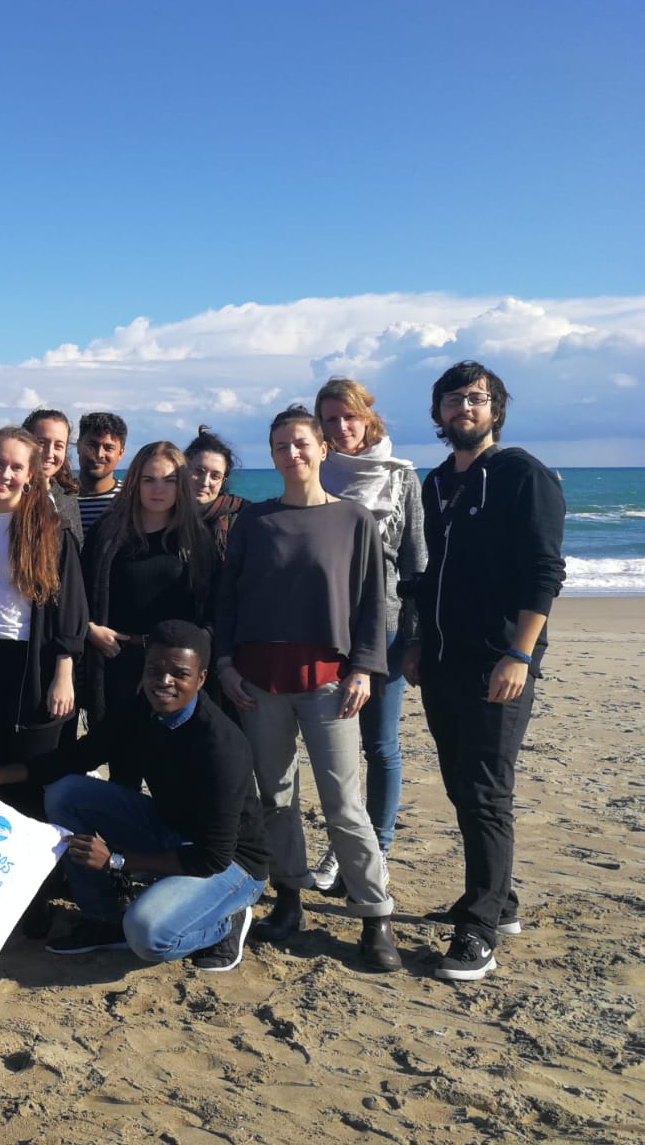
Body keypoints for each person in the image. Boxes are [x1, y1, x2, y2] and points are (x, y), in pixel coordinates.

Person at [0, 621, 268, 971]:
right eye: (154, 670)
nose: (164, 681)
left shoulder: (222, 747)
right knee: (66, 792)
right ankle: (102, 918)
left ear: (201, 679)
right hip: (170, 829)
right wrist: (1, 773)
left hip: (231, 863)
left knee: (147, 934)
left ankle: (224, 924)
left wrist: (117, 860)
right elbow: (82, 754)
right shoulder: (144, 709)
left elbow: (213, 857)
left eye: (179, 673)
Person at [213, 404, 400, 972]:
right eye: (279, 447)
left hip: (330, 684)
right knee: (277, 798)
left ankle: (375, 915)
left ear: (322, 449)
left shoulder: (352, 519)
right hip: (259, 683)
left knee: (344, 803)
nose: (290, 455)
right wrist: (224, 664)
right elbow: (229, 601)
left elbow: (372, 603)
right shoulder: (256, 521)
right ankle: (289, 897)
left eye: (300, 444)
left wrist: (364, 669)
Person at [402, 361, 565, 981]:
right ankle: (501, 897)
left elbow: (545, 572)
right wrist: (414, 643)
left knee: (488, 789)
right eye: (452, 400)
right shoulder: (436, 482)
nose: (463, 409)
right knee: (461, 784)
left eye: (476, 399)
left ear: (495, 408)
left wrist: (520, 654)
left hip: (501, 660)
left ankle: (479, 928)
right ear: (438, 412)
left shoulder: (523, 474)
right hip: (441, 660)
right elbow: (422, 573)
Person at [306, 377, 426, 892]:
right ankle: (344, 848)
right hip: (326, 627)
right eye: (330, 419)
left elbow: (418, 563)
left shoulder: (400, 479)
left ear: (367, 417)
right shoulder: (313, 471)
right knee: (337, 745)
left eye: (348, 416)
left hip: (388, 626)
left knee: (379, 744)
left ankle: (376, 846)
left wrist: (416, 639)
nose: (341, 427)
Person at [0, 426, 87, 822]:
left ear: (30, 474)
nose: (4, 474)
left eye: (15, 467)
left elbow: (70, 605)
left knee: (29, 769)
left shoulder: (49, 528)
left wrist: (65, 670)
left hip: (31, 662)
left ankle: (35, 876)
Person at [80, 441, 214, 784]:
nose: (158, 489)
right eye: (149, 479)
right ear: (135, 482)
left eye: (169, 480)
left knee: (173, 772)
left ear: (181, 485)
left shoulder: (196, 538)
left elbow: (211, 607)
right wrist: (90, 627)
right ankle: (119, 839)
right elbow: (75, 593)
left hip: (174, 670)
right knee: (123, 769)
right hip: (116, 662)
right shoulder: (108, 533)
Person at [185, 425, 250, 562]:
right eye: (199, 471)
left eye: (215, 476)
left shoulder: (241, 517)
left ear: (223, 480)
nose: (205, 482)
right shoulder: (165, 514)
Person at [23, 408, 82, 548]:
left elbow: (77, 550)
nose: (49, 453)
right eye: (41, 442)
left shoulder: (68, 499)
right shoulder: (10, 496)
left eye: (58, 446)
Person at [75, 411, 127, 539]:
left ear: (120, 453)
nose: (99, 454)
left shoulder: (129, 500)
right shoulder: (60, 497)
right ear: (78, 446)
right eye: (92, 445)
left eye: (108, 447)